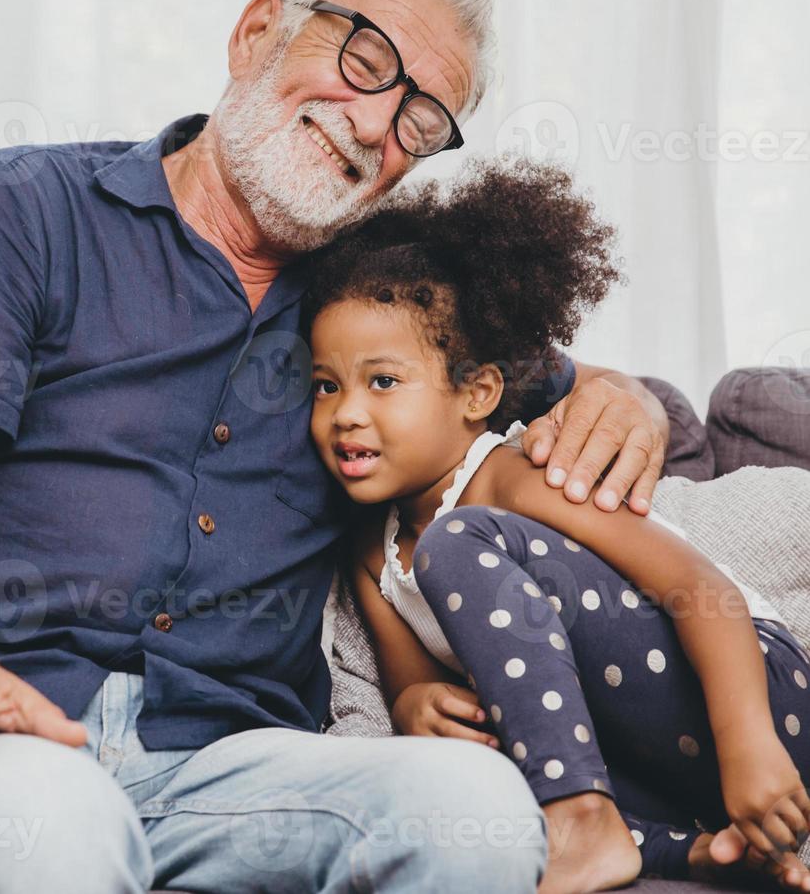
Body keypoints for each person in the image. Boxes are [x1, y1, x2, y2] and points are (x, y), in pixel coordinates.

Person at [0, 0, 673, 892]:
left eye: (420, 123)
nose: (377, 125)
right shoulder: (26, 209)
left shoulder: (384, 314)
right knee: (58, 825)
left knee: (480, 813)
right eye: (363, 60)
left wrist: (625, 397)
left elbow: (555, 379)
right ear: (256, 33)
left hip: (228, 767)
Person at [306, 156, 810, 891]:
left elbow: (698, 588)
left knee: (458, 541)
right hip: (664, 774)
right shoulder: (369, 553)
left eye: (383, 381)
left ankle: (582, 820)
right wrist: (419, 707)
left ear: (476, 393)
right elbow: (410, 691)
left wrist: (748, 743)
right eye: (326, 385)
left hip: (760, 697)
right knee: (499, 753)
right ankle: (686, 850)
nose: (346, 411)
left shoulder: (512, 475)